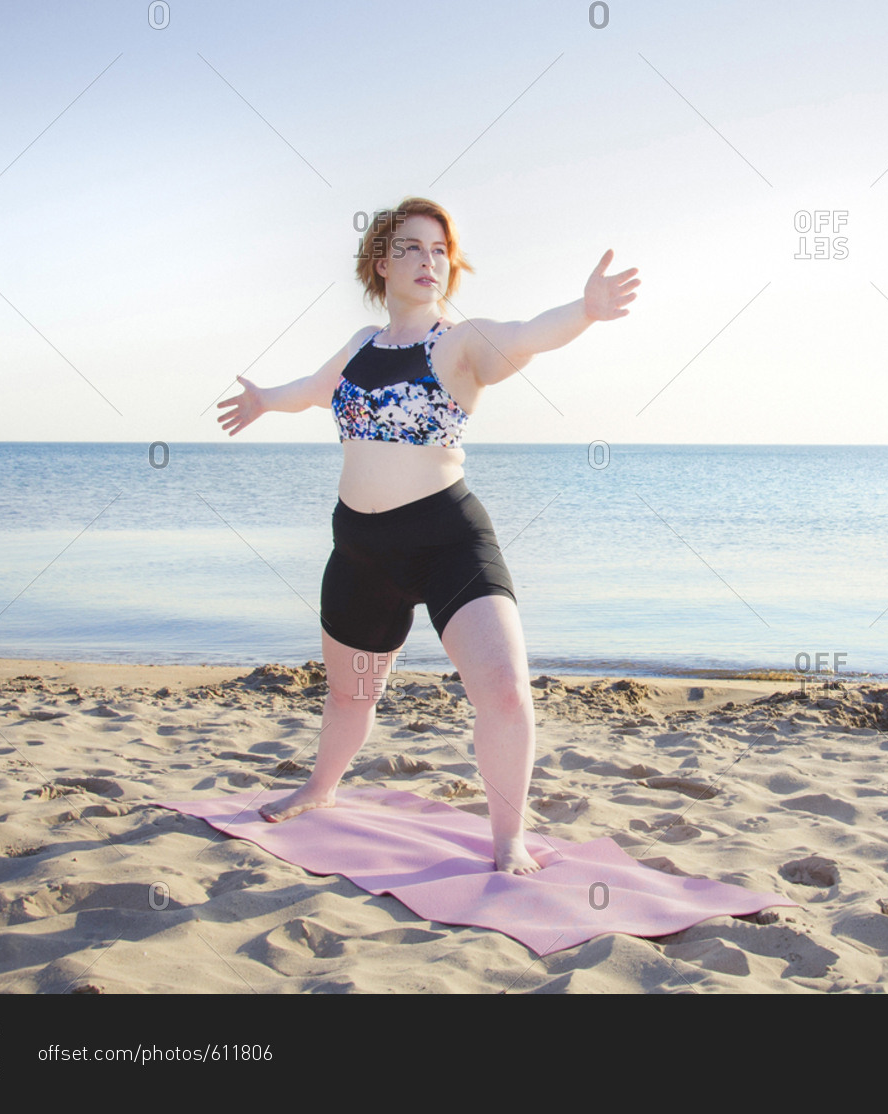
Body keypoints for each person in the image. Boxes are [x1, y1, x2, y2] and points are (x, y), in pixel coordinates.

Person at [216, 198, 639, 873]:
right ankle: (321, 789)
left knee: (503, 690)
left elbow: (527, 333)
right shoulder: (360, 346)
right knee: (354, 692)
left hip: (447, 540)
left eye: (439, 250)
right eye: (411, 248)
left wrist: (584, 311)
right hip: (359, 550)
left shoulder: (460, 342)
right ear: (381, 263)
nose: (428, 260)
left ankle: (509, 841)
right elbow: (316, 389)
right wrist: (267, 398)